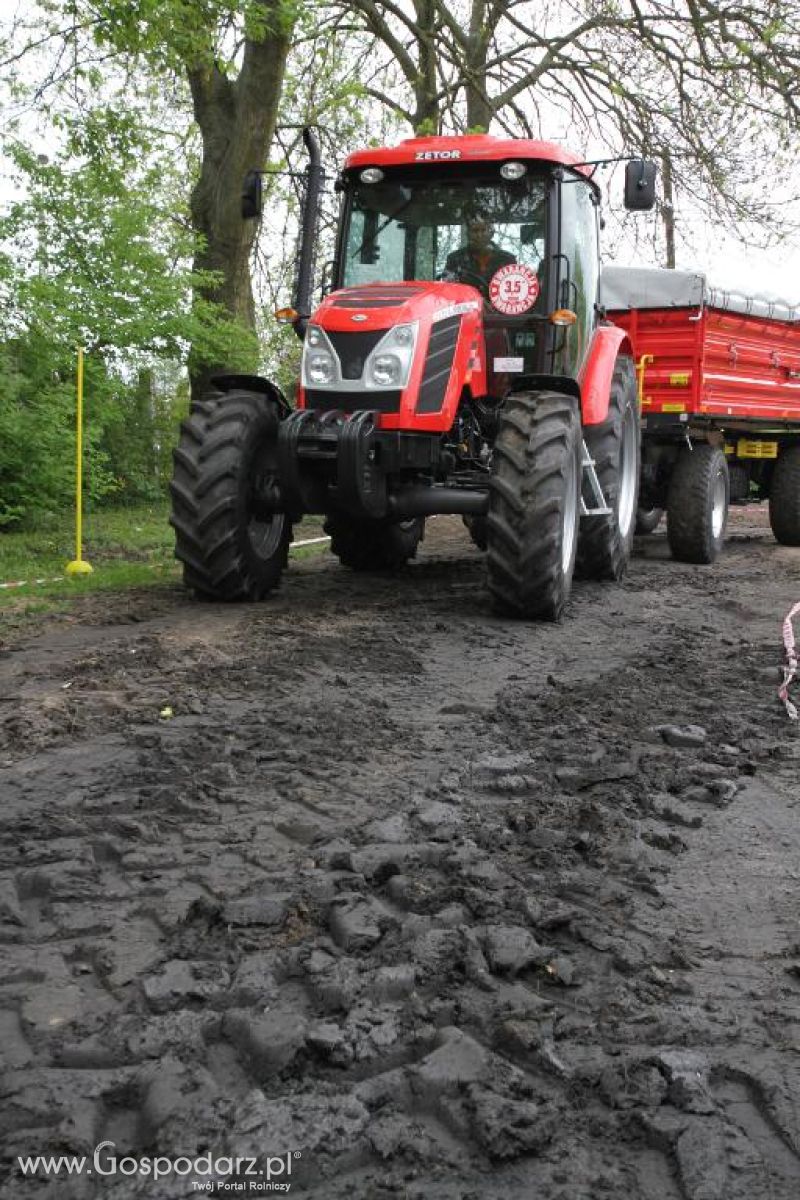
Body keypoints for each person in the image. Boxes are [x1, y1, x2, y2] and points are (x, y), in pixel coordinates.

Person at [444, 217, 515, 292]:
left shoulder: (507, 260)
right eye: (475, 231)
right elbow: (448, 290)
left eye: (483, 230)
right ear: (467, 234)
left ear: (491, 233)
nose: (479, 235)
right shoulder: (455, 259)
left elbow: (514, 293)